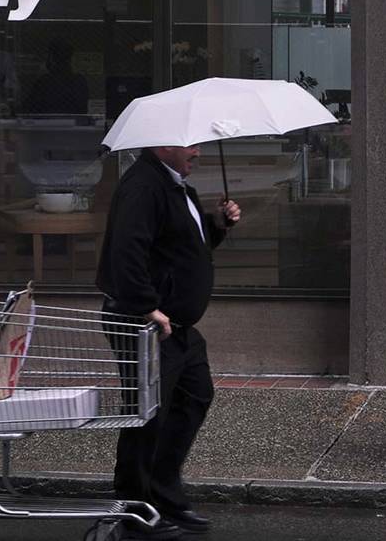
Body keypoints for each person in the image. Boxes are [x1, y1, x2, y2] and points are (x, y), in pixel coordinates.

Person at [96, 145, 241, 539]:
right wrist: (147, 307)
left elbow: (183, 247)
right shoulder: (144, 186)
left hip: (176, 326)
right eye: (190, 144)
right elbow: (126, 251)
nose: (198, 151)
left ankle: (163, 495)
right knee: (148, 414)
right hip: (147, 323)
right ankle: (135, 511)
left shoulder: (176, 187)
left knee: (194, 395)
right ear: (164, 144)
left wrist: (217, 225)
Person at [22, 38, 89, 115]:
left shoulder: (44, 82)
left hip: (47, 125)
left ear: (52, 58)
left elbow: (29, 108)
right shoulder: (80, 81)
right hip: (72, 125)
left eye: (47, 56)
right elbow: (82, 110)